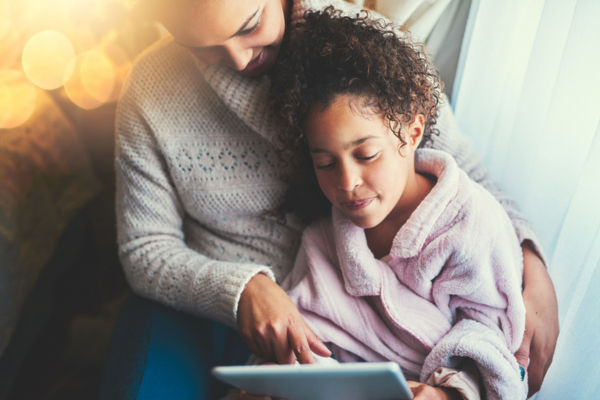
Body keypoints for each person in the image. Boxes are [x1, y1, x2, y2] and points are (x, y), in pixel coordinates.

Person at [115, 0, 558, 396]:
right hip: (223, 312)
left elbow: (467, 179)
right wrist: (242, 289)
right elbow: (144, 247)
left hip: (351, 323)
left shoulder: (365, 53)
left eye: (250, 26)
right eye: (203, 48)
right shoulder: (150, 92)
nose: (237, 58)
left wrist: (530, 265)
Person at [260, 8, 527, 399]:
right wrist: (274, 379)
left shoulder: (471, 224)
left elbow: (496, 340)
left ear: (413, 131)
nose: (347, 182)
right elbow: (304, 337)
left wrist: (448, 393)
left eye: (366, 155)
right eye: (326, 163)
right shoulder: (322, 242)